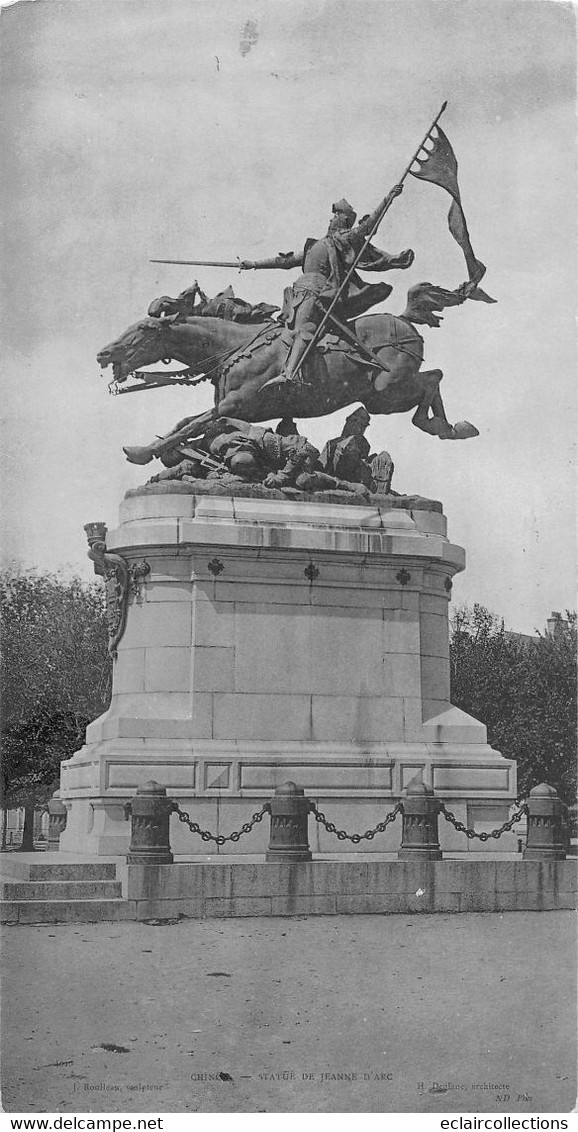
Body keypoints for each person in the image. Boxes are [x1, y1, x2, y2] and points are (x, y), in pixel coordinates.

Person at [239, 187, 414, 387]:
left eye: (337, 215)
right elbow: (284, 261)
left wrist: (388, 198)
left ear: (345, 220)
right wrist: (253, 264)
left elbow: (368, 226)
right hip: (297, 294)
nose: (332, 219)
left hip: (317, 292)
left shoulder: (344, 239)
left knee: (304, 329)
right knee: (284, 332)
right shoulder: (316, 245)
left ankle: (290, 374)